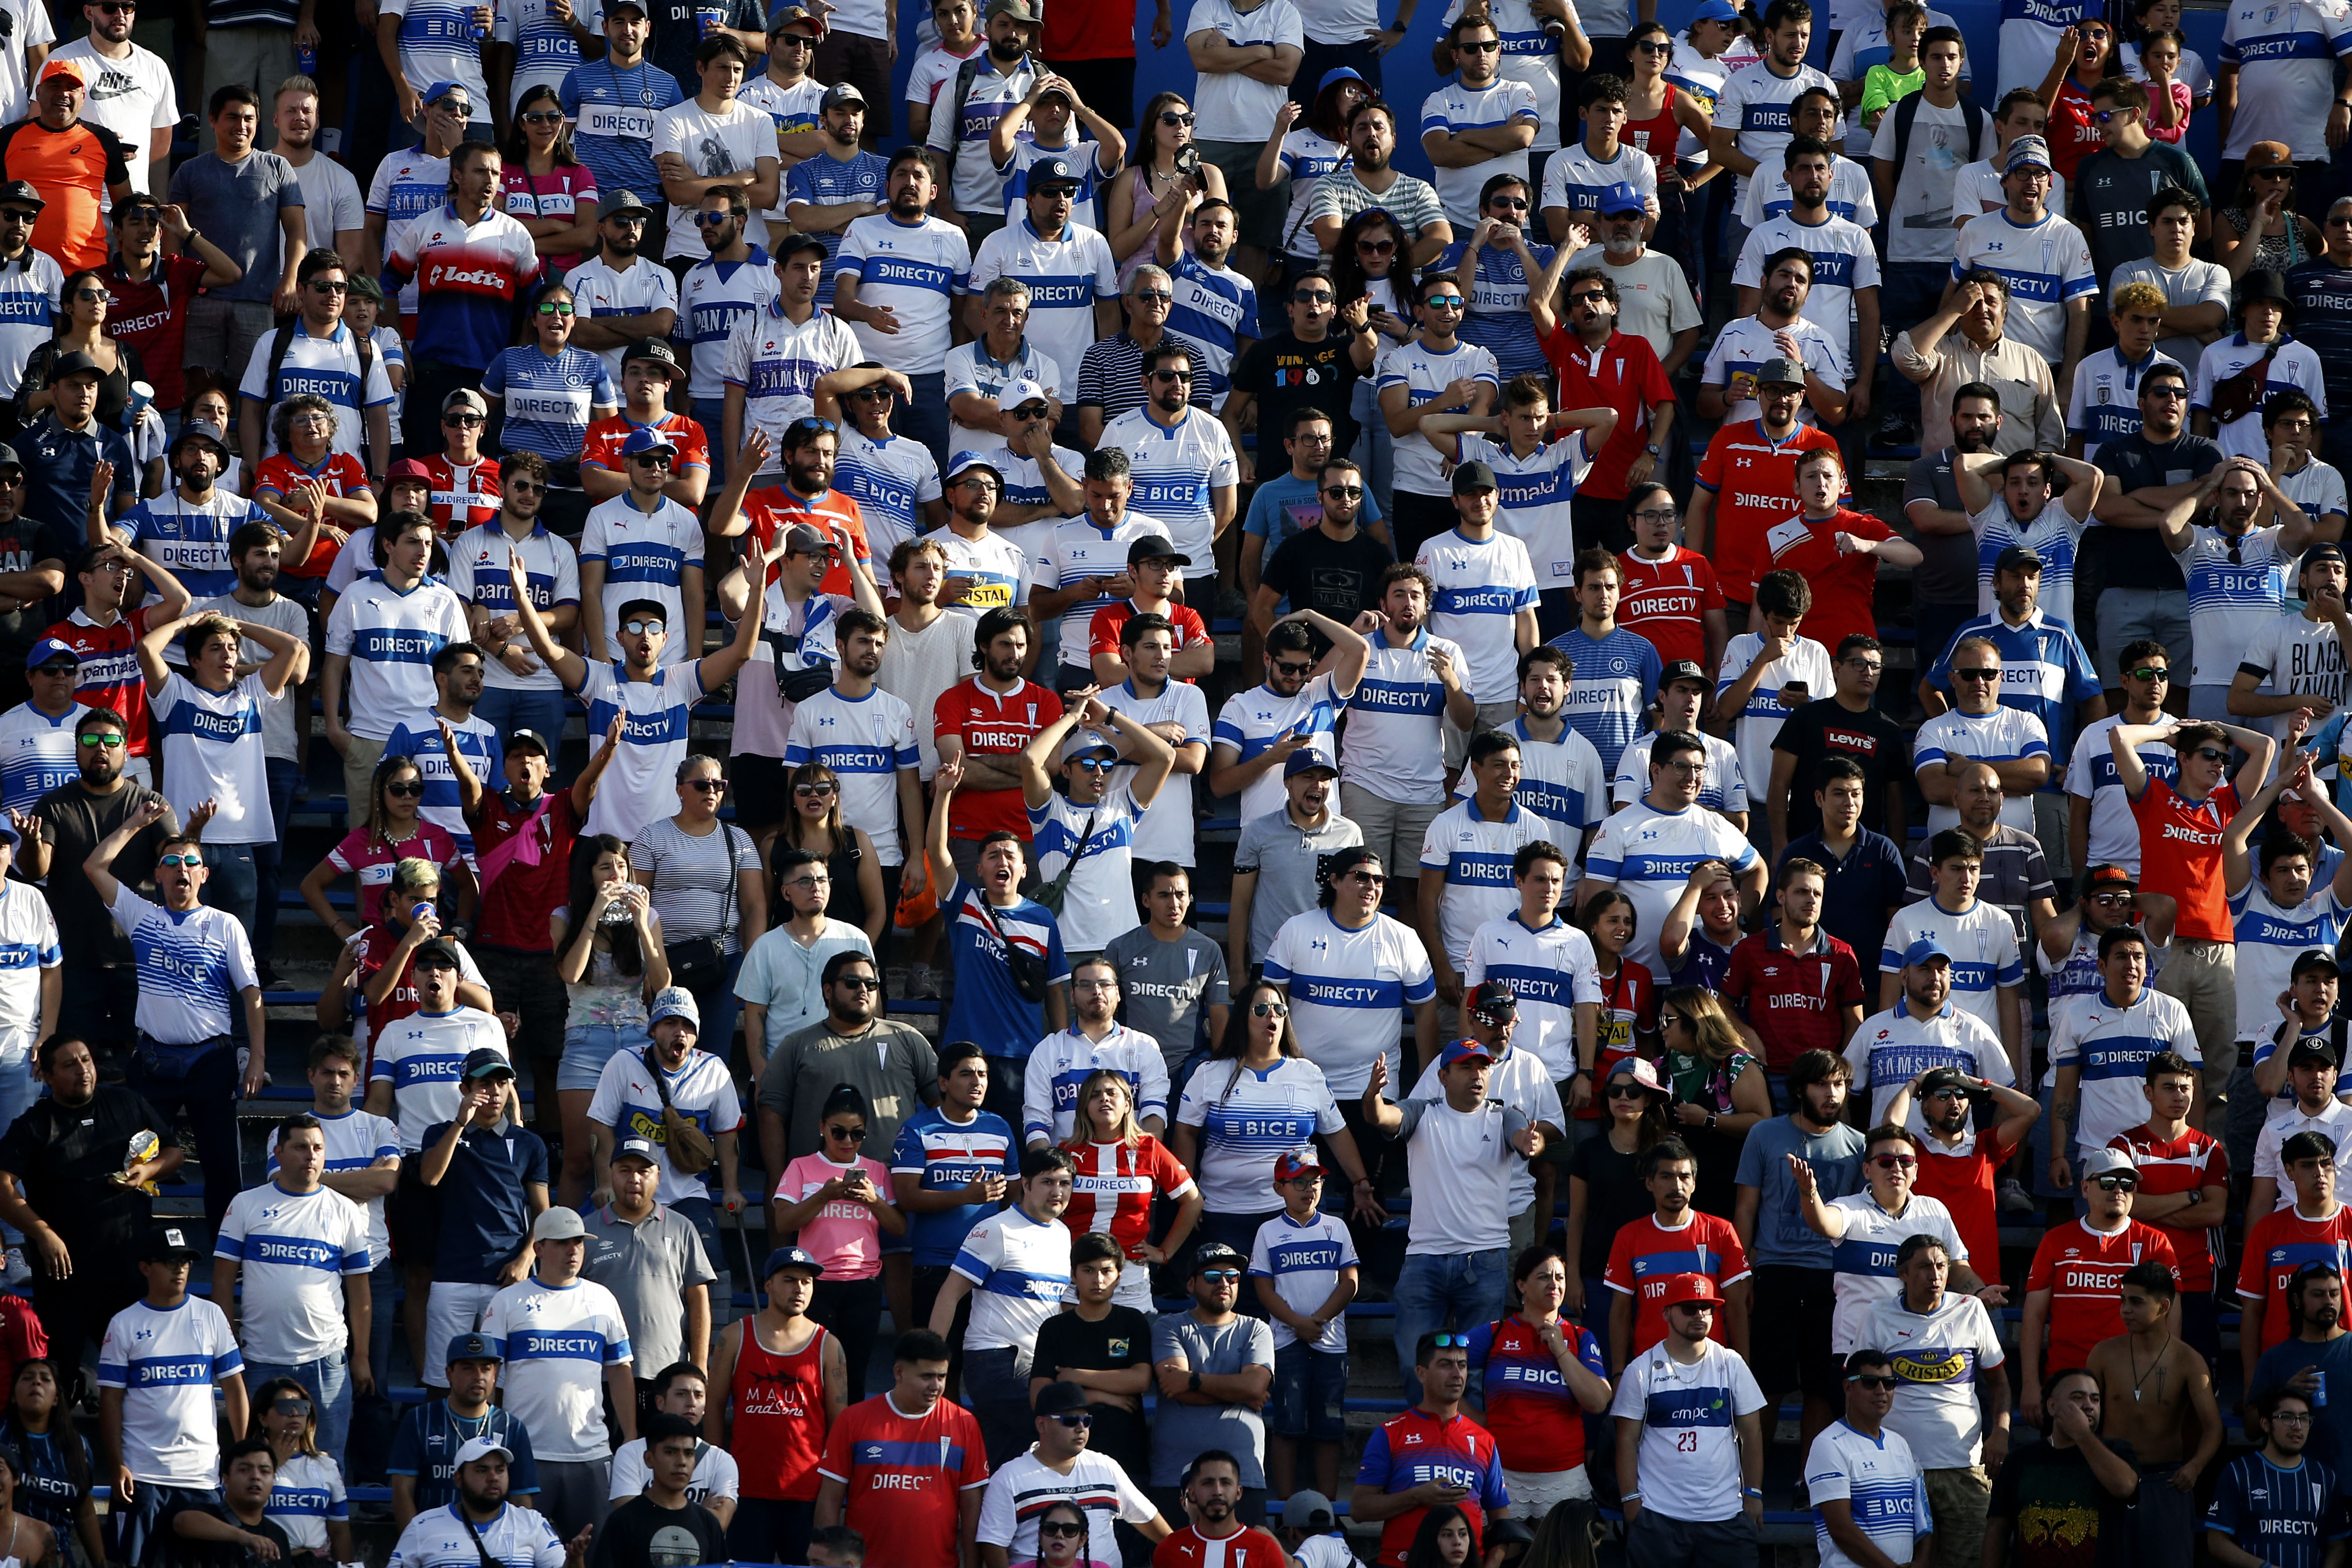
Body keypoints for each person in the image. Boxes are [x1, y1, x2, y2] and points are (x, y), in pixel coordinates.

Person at [1171, 974, 1378, 1256]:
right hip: (1225, 1212)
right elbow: (1186, 1132)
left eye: (1280, 1010)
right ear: (1242, 1017)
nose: (1272, 1015)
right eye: (1261, 1009)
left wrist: (1360, 1181)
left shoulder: (1308, 1074)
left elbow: (1337, 1133)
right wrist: (1188, 1197)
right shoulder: (1210, 1074)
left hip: (1294, 1210)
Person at [0, 1037, 176, 1363]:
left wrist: (148, 1170)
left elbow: (174, 1151)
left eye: (86, 1061)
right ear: (48, 1076)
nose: (83, 1070)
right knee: (60, 1375)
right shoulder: (34, 1124)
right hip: (63, 1276)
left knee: (133, 1378)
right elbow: (2, 1185)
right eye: (69, 1065)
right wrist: (43, 1234)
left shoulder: (127, 1102)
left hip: (128, 1267)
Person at [213, 1115, 373, 1468]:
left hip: (326, 1360)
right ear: (279, 1152)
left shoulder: (345, 1210)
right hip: (260, 1358)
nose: (311, 1156)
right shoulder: (246, 1204)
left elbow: (360, 1292)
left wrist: (361, 1355)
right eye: (301, 1147)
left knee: (328, 1464)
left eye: (318, 1148)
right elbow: (223, 1280)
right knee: (258, 1462)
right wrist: (227, 1335)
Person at [97, 1222, 250, 1567]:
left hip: (202, 1475)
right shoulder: (123, 1323)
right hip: (142, 1476)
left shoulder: (211, 1315)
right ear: (146, 1267)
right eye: (169, 1261)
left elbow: (235, 1388)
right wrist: (117, 1462)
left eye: (185, 1260)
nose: (179, 1268)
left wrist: (242, 1452)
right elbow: (110, 1400)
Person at [1861, 1234, 2010, 1568]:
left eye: (1941, 1265)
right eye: (1924, 1266)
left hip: (1966, 1467)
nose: (1935, 1274)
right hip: (1899, 1470)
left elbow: (1999, 1382)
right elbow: (1859, 1391)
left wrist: (2000, 1431)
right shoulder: (1877, 1315)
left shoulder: (1970, 1309)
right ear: (1902, 1273)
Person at [930, 1146, 1075, 1468]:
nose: (1058, 1192)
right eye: (1048, 1182)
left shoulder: (1064, 1235)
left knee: (1006, 1461)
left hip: (1039, 1363)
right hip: (996, 1359)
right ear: (1026, 1184)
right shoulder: (996, 1229)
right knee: (1057, 1430)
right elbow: (949, 1294)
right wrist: (933, 1357)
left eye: (1065, 1183)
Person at [1609, 1275, 1767, 1566]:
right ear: (1666, 1312)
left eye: (1707, 1308)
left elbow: (1752, 1434)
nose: (1700, 1315)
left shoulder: (1732, 1364)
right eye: (1689, 1308)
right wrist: (1631, 1500)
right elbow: (1626, 1440)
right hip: (1658, 1517)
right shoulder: (1641, 1369)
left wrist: (1753, 1494)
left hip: (1726, 1517)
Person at [814, 1329, 988, 1568]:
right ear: (899, 1373)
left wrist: (973, 1565)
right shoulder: (854, 1420)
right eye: (927, 1376)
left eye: (942, 1376)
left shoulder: (964, 1423)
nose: (935, 1386)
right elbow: (829, 1499)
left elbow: (971, 1507)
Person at [2084, 1263, 2222, 1563]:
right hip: (2110, 1477)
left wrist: (2195, 1467)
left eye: (2136, 1302)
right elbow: (2086, 1418)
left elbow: (2213, 1426)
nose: (2125, 1310)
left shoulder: (2189, 1360)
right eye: (2122, 1300)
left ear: (2163, 1307)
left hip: (2166, 1481)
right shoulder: (2103, 1353)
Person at [772, 1083, 903, 1400]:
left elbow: (898, 1228)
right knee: (811, 1376)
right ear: (822, 1128)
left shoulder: (876, 1171)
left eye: (857, 1134)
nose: (847, 1141)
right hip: (816, 1284)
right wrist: (823, 1196)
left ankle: (845, 1447)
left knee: (855, 1375)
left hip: (863, 1285)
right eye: (839, 1132)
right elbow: (783, 1223)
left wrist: (875, 1200)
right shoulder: (802, 1167)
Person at [1350, 1332, 1508, 1568]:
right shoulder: (1390, 1433)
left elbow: (1501, 1521)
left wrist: (1492, 1564)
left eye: (1462, 1365)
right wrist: (1417, 1496)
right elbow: (1359, 1509)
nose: (1457, 1374)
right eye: (1445, 1365)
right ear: (1421, 1373)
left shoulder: (1483, 1440)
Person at [976, 1379, 1171, 1567]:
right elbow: (993, 1544)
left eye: (1087, 1420)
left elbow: (1147, 1517)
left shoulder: (1104, 1466)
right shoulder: (1009, 1477)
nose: (1081, 1428)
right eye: (1070, 1420)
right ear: (1041, 1425)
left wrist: (1185, 1552)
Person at [1984, 1367, 2141, 1568]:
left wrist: (2083, 1435)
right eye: (2077, 1398)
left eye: (2095, 1399)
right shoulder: (2020, 1460)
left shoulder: (2118, 1450)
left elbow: (2126, 1488)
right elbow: (1998, 1528)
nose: (2088, 1406)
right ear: (2052, 1407)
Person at [385, 1332, 542, 1528]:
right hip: (433, 1540)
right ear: (449, 1373)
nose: (478, 1377)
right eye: (468, 1369)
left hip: (494, 1545)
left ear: (495, 1375)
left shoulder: (512, 1427)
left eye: (486, 1369)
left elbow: (521, 1501)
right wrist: (416, 1543)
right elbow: (402, 1491)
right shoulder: (418, 1420)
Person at [1805, 1348, 1935, 1568]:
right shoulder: (1828, 1444)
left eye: (1889, 1382)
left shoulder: (1900, 1444)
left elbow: (1922, 1517)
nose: (1881, 1390)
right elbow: (1841, 1529)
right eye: (1870, 1382)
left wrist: (1921, 1562)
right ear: (1848, 1387)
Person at [1108, 863, 1231, 1085]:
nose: (1174, 904)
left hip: (1188, 1068)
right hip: (1132, 1066)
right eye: (1164, 895)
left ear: (1189, 898)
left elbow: (1219, 1015)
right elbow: (1108, 1012)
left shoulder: (1208, 950)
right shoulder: (1120, 948)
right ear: (1146, 900)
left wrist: (1220, 1068)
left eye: (1180, 895)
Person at [387, 1437, 567, 1568]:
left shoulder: (532, 1523)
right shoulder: (423, 1526)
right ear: (459, 1478)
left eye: (500, 1470)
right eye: (482, 1470)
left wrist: (575, 1560)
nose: (493, 1478)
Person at [251, 1376, 353, 1561]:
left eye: (302, 1407)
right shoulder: (246, 1463)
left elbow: (339, 1532)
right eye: (284, 1407)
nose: (295, 1413)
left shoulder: (327, 1465)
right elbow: (238, 1512)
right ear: (263, 1419)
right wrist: (273, 1464)